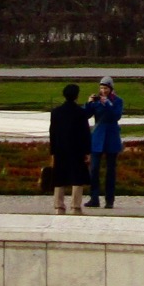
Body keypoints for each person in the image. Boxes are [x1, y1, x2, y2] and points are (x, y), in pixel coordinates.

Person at [48, 81, 91, 216]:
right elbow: (85, 133)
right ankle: (75, 207)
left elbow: (52, 133)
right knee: (77, 178)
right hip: (76, 150)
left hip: (60, 149)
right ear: (77, 96)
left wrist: (53, 152)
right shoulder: (80, 113)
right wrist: (87, 152)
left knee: (59, 177)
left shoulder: (56, 112)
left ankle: (58, 206)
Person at [85, 76, 124, 209]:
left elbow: (116, 115)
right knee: (94, 169)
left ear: (111, 89)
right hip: (97, 137)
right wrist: (89, 103)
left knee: (110, 171)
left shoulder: (118, 101)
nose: (103, 90)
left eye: (106, 88)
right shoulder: (97, 101)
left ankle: (109, 200)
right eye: (101, 88)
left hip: (111, 137)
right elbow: (85, 115)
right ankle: (94, 197)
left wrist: (106, 103)